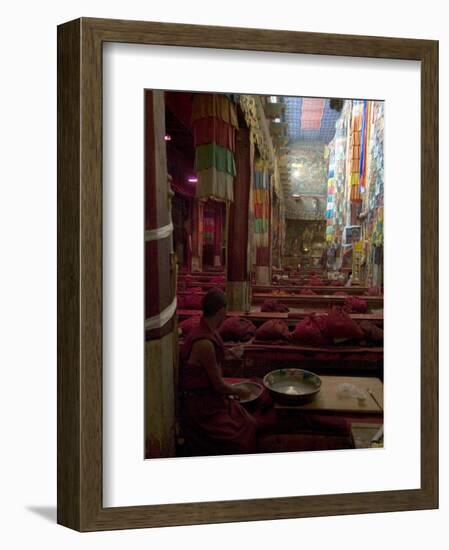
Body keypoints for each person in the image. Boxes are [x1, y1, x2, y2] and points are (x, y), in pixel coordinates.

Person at [179, 288, 259, 456]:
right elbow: (219, 385)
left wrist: (230, 354)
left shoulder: (209, 330)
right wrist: (240, 390)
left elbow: (211, 362)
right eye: (226, 310)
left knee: (249, 421)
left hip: (211, 397)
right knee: (240, 439)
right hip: (202, 407)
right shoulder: (204, 342)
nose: (227, 315)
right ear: (222, 311)